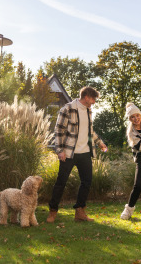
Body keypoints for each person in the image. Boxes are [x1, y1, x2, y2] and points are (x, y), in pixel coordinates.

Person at [46, 87, 107, 223]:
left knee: (87, 181)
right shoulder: (67, 109)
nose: (94, 102)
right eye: (93, 99)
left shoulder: (88, 110)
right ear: (86, 97)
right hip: (69, 153)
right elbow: (59, 130)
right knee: (61, 182)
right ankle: (53, 211)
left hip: (85, 152)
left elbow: (90, 131)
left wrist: (100, 143)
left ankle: (80, 211)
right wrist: (60, 150)